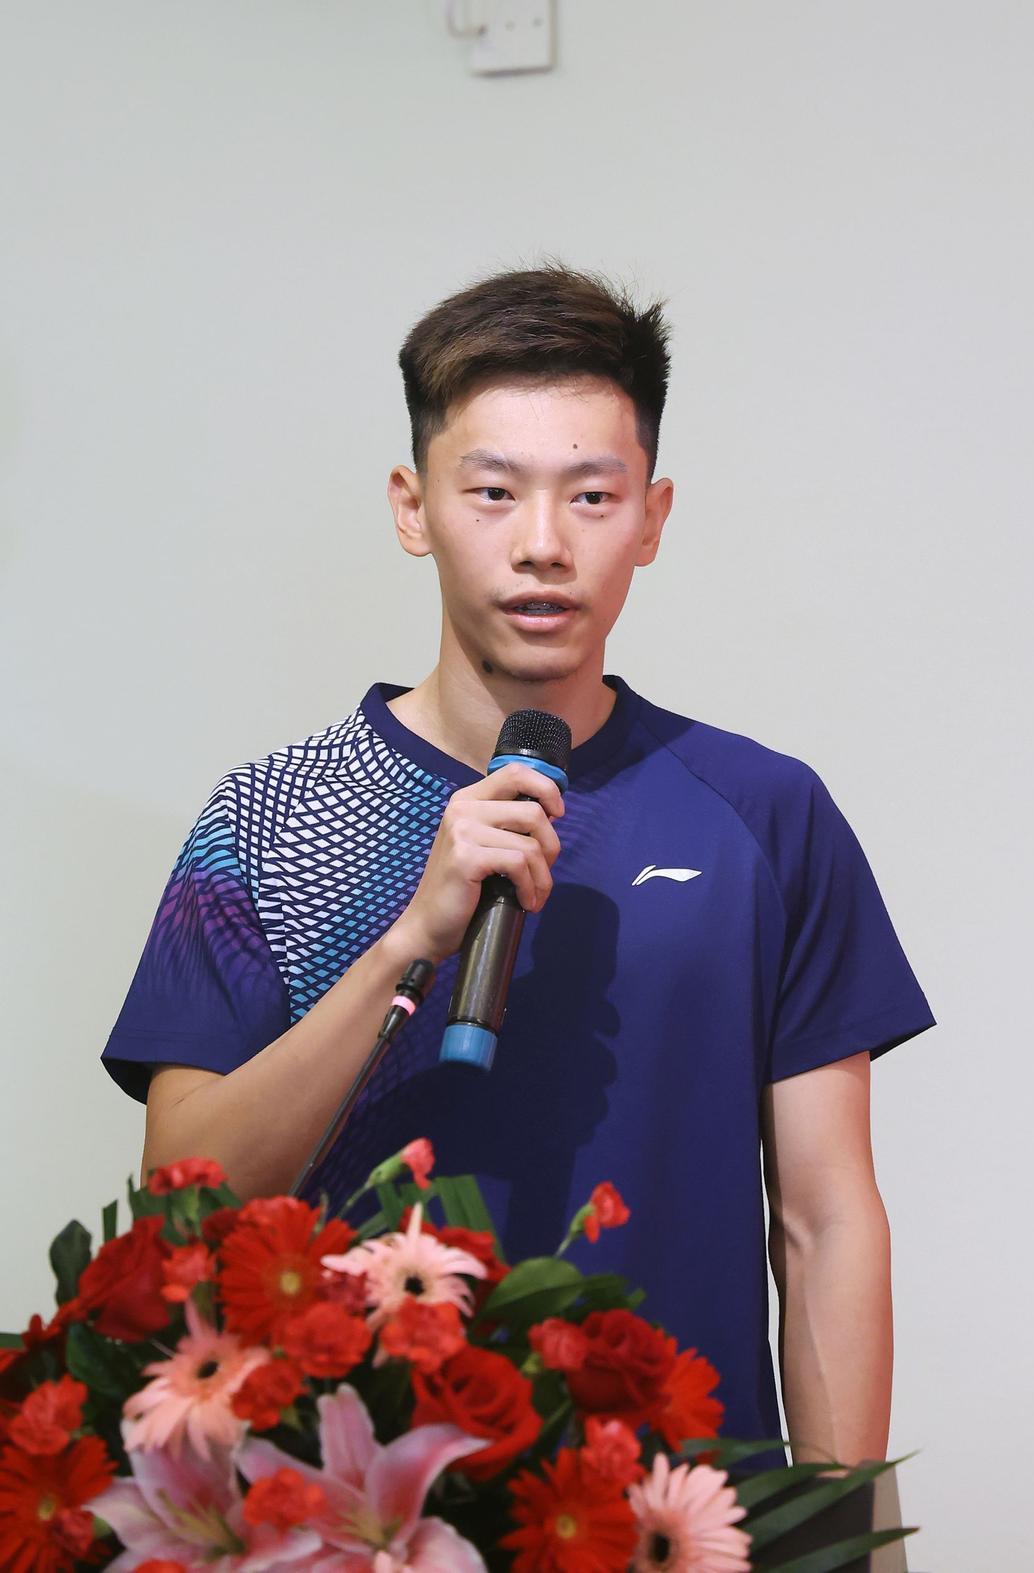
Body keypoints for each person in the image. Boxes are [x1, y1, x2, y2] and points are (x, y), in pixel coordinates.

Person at [101, 260, 937, 1472]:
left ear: (650, 518)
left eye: (590, 497)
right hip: (350, 1515)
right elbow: (183, 1200)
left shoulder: (765, 813)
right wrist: (408, 943)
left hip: (675, 1515)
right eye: (492, 492)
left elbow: (824, 1220)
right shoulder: (270, 815)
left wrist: (844, 1529)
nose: (542, 545)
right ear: (411, 507)